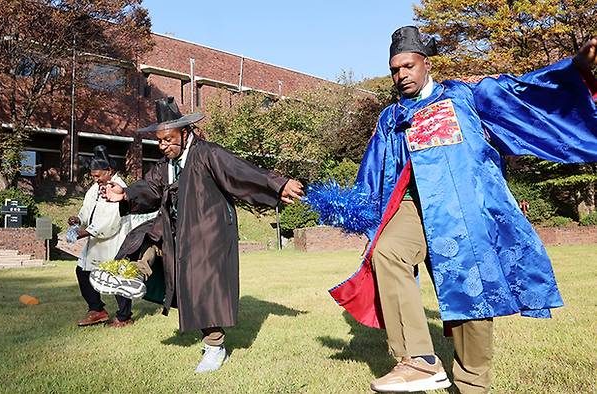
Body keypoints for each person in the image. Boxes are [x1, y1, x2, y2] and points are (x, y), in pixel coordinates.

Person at [325, 27, 597, 393]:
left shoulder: (464, 95)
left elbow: (520, 92)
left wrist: (575, 68)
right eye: (394, 69)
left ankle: (471, 385)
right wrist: (363, 215)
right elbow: (375, 169)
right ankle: (418, 360)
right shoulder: (391, 117)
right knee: (387, 251)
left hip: (464, 209)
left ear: (426, 63)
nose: (400, 75)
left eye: (407, 66)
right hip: (413, 205)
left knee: (472, 296)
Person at [104, 97, 304, 373]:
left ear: (185, 133)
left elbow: (241, 172)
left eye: (168, 139)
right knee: (145, 236)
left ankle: (215, 348)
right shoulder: (165, 165)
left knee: (203, 288)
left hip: (208, 233)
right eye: (159, 141)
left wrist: (278, 185)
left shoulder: (208, 153)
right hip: (175, 230)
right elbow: (150, 189)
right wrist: (125, 193)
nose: (163, 145)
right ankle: (135, 275)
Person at [69, 145, 144, 327]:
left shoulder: (119, 187)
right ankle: (96, 310)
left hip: (115, 241)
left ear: (109, 171)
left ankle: (124, 317)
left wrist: (86, 232)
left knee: (117, 277)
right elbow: (87, 210)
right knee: (83, 272)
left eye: (98, 175)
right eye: (93, 176)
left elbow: (111, 220)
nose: (95, 180)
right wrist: (77, 220)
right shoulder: (95, 188)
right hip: (96, 242)